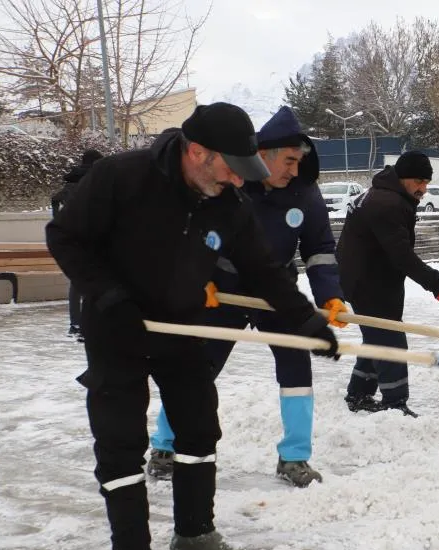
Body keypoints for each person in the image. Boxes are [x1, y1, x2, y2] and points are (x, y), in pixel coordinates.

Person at [45, 102, 340, 550]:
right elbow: (66, 237)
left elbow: (262, 270)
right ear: (197, 151)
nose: (239, 182)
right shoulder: (123, 177)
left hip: (181, 323)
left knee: (199, 426)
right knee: (120, 438)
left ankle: (195, 533)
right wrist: (109, 296)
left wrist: (305, 319)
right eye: (231, 169)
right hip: (117, 325)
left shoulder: (228, 202)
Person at [145, 106, 345, 489]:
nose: (295, 170)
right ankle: (165, 446)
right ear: (264, 156)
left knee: (297, 371)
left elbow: (319, 250)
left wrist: (331, 297)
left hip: (277, 293)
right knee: (196, 370)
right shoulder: (232, 184)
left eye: (299, 161)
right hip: (223, 291)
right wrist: (198, 277)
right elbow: (196, 232)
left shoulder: (306, 194)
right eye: (289, 160)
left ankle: (294, 458)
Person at [336, 151, 439, 418]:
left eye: (426, 182)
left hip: (370, 275)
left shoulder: (385, 194)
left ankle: (359, 394)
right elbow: (401, 255)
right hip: (368, 279)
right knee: (390, 339)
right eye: (418, 182)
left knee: (377, 335)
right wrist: (437, 285)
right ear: (402, 178)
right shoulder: (386, 203)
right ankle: (395, 403)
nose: (423, 189)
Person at [51, 148, 103, 342]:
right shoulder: (95, 181)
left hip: (73, 239)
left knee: (76, 283)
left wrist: (60, 223)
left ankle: (75, 323)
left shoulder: (68, 186)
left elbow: (55, 205)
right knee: (97, 281)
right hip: (93, 238)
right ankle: (90, 324)